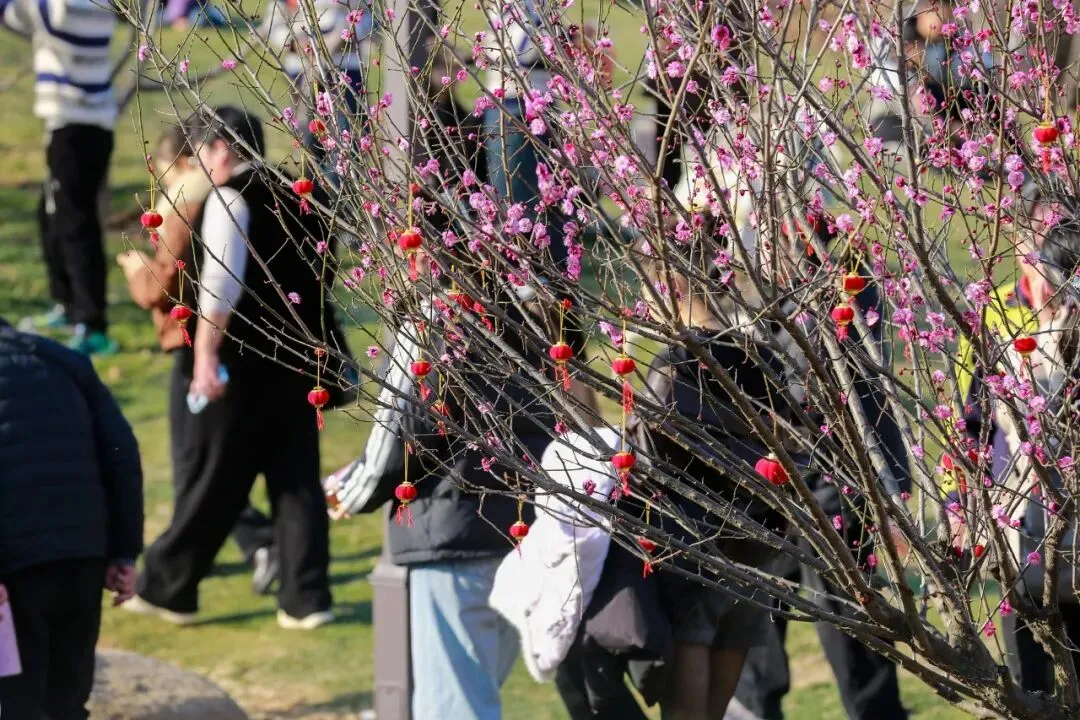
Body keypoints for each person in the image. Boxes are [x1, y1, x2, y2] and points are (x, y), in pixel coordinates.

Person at [124, 106, 334, 630]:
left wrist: (204, 356)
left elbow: (220, 286)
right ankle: (306, 599)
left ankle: (168, 587)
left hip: (241, 362)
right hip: (299, 360)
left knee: (215, 477)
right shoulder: (303, 194)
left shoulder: (230, 198)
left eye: (200, 153)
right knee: (296, 482)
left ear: (221, 148)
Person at [625, 236, 800, 720]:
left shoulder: (677, 363)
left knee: (687, 702)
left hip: (695, 542)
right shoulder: (763, 357)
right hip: (756, 540)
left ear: (670, 285)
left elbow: (645, 460)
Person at [117, 125, 280, 596]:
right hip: (213, 342)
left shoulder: (186, 203)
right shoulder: (223, 199)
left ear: (184, 162)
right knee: (202, 461)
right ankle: (245, 546)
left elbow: (163, 284)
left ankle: (241, 548)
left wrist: (136, 272)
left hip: (194, 342)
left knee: (193, 462)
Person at [955, 183, 1080, 692]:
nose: (1047, 239)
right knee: (1031, 678)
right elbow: (969, 420)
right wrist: (961, 501)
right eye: (1039, 228)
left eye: (1061, 226)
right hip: (1020, 515)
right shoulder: (993, 312)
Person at [0, 316, 144, 719]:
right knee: (67, 701)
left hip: (13, 573)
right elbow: (121, 458)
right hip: (82, 556)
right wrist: (123, 552)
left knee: (15, 705)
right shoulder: (64, 359)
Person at [4, 0, 119, 354]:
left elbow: (12, 13)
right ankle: (67, 304)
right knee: (51, 215)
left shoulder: (64, 9)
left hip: (76, 128)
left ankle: (92, 322)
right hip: (80, 124)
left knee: (75, 225)